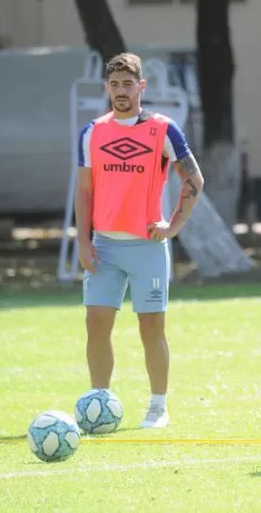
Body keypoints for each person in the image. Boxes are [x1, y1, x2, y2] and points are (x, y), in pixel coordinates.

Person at [76, 52, 204, 429]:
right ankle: (99, 404)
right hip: (104, 247)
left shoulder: (163, 130)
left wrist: (174, 226)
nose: (120, 91)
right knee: (96, 323)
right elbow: (84, 193)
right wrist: (83, 242)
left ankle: (158, 406)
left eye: (128, 84)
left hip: (147, 247)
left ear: (141, 87)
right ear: (106, 88)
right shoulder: (93, 132)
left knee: (151, 328)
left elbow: (194, 179)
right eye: (114, 84)